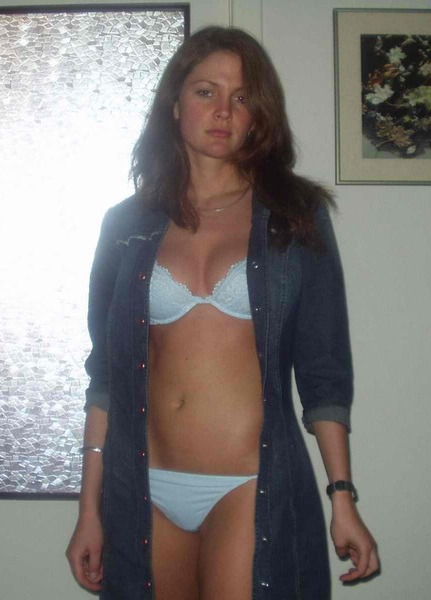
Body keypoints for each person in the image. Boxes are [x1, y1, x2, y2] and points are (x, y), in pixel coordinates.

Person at [66, 26, 379, 599]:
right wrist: (89, 508)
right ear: (175, 102)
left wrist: (343, 497)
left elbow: (324, 370)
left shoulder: (295, 217)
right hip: (142, 487)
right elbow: (105, 375)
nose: (223, 111)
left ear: (259, 115)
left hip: (248, 486)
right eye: (206, 91)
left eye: (241, 97)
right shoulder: (125, 225)